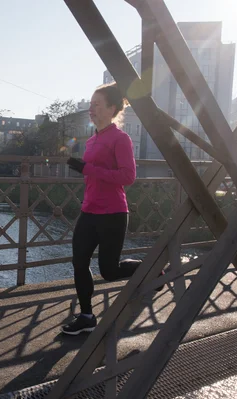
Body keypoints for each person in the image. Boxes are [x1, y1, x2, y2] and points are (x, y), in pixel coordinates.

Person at [62, 83, 143, 335]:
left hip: (113, 213)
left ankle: (149, 268)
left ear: (112, 108)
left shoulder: (121, 138)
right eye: (90, 104)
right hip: (89, 210)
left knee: (109, 271)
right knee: (79, 262)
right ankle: (86, 316)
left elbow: (128, 176)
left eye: (97, 104)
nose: (91, 109)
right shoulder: (92, 140)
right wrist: (83, 168)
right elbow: (94, 176)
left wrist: (87, 169)